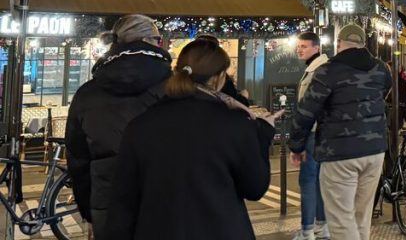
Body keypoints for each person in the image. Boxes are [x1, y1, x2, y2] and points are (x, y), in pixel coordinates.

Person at [108, 37, 282, 239]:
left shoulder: (141, 125)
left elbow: (123, 201)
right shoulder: (235, 124)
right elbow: (254, 188)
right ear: (218, 77)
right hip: (221, 230)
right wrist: (263, 133)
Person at [66, 15, 171, 240]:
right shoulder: (175, 89)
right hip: (167, 199)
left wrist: (89, 209)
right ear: (150, 41)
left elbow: (78, 158)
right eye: (159, 39)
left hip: (107, 201)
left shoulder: (88, 92)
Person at [288, 24, 391, 240]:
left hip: (340, 152)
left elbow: (307, 110)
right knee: (361, 217)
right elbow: (384, 91)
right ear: (364, 44)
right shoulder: (380, 68)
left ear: (338, 43)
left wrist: (296, 146)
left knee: (342, 220)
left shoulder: (328, 70)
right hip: (375, 151)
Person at [291, 32, 331, 240]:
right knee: (318, 181)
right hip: (322, 134)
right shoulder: (320, 69)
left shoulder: (316, 71)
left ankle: (307, 230)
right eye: (298, 46)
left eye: (304, 46)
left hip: (313, 134)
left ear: (317, 48)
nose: (299, 49)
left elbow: (306, 110)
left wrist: (296, 144)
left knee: (307, 181)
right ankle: (321, 226)